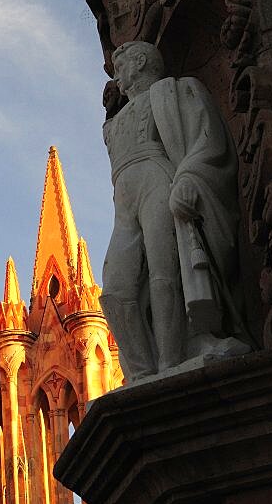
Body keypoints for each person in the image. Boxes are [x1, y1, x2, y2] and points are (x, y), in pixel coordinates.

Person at [101, 41, 249, 382]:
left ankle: (171, 363)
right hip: (124, 200)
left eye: (121, 68)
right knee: (116, 289)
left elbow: (209, 140)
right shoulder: (117, 120)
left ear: (140, 62)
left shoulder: (177, 92)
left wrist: (188, 177)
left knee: (163, 271)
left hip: (159, 179)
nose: (117, 78)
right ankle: (142, 371)